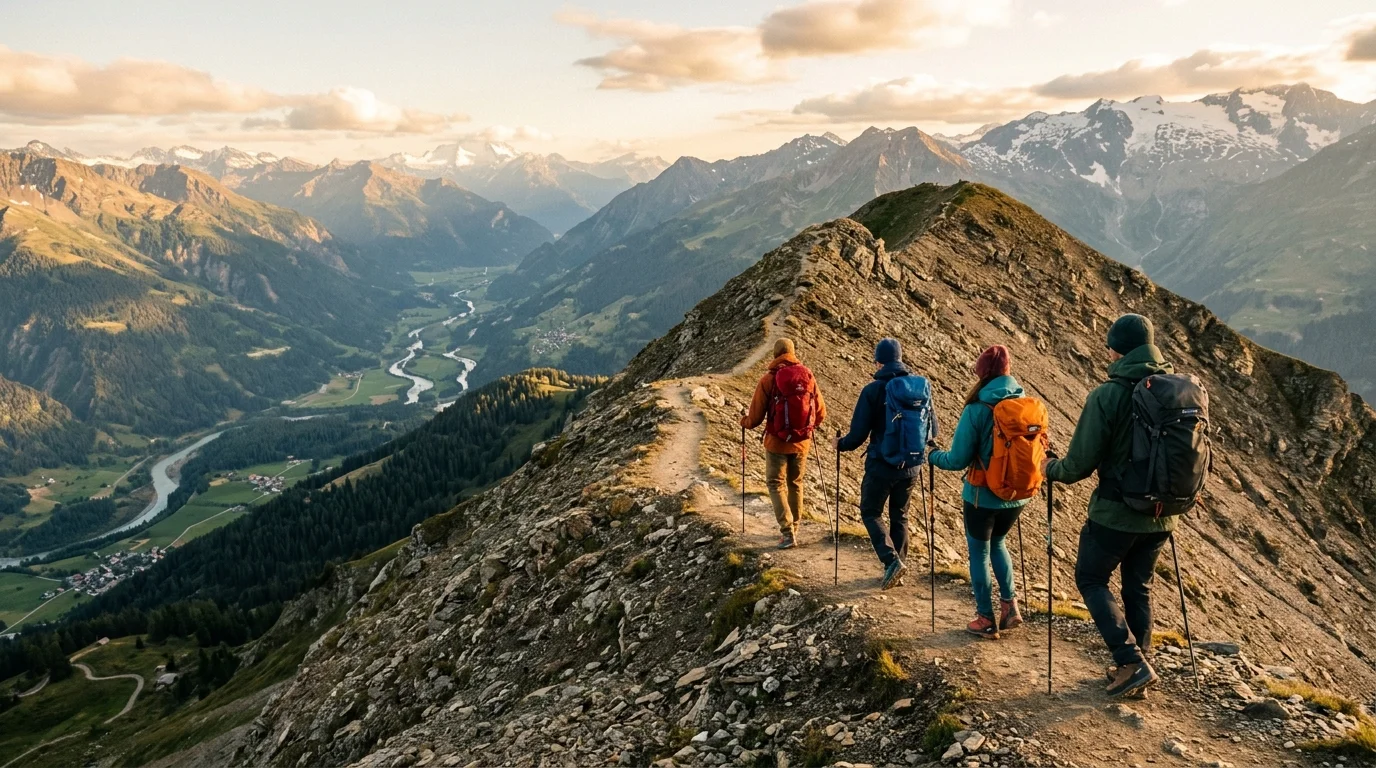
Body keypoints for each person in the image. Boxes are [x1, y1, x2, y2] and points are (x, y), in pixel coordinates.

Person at [1044, 313, 1175, 698]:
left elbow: (1078, 465)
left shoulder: (1109, 395)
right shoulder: (1172, 391)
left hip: (1116, 514)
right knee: (1139, 587)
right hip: (1162, 515)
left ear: (1118, 349)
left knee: (1091, 579)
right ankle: (1139, 663)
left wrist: (1049, 467)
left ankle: (1131, 661)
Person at [929, 345, 1029, 639]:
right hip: (1017, 496)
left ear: (982, 374)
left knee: (979, 553)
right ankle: (1010, 607)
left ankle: (986, 618)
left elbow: (957, 459)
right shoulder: (1024, 403)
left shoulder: (977, 408)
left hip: (981, 495)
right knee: (999, 544)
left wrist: (933, 455)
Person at [831, 338, 927, 589]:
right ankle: (898, 566)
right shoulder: (918, 389)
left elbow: (858, 435)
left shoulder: (873, 390)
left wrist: (840, 444)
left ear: (878, 361)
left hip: (881, 465)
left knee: (871, 512)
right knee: (900, 515)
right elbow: (932, 429)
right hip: (911, 466)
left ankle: (892, 561)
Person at [741, 338, 827, 549]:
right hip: (801, 443)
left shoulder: (768, 379)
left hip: (777, 443)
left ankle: (787, 532)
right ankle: (794, 527)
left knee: (775, 483)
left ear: (775, 354)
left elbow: (755, 419)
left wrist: (743, 420)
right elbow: (821, 413)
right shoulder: (807, 376)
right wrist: (804, 429)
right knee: (795, 483)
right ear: (792, 352)